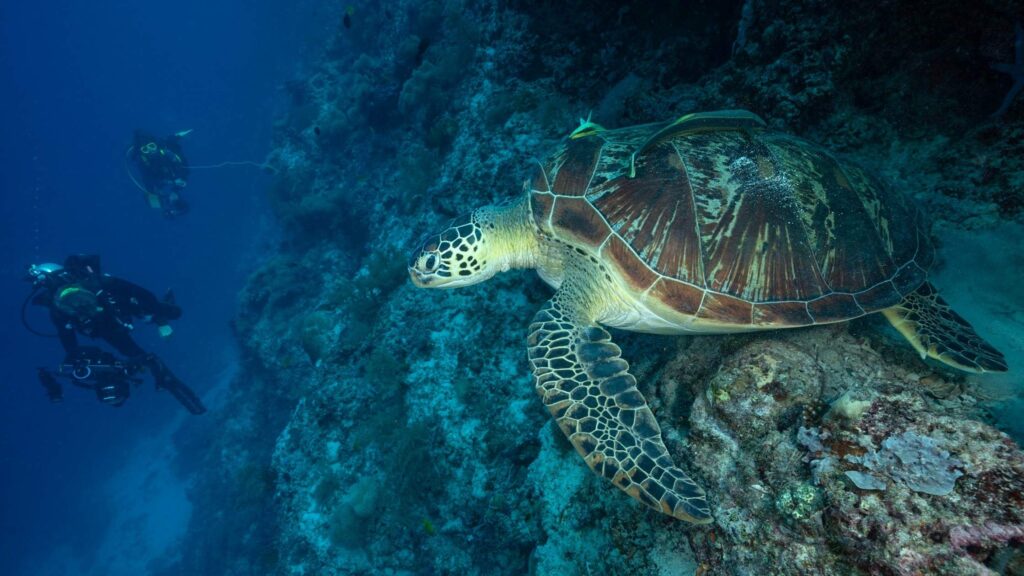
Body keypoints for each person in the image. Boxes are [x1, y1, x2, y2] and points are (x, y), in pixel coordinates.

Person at [25, 255, 206, 414]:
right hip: (110, 322)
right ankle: (161, 359)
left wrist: (77, 359)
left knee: (153, 325)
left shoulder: (61, 307)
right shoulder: (94, 284)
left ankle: (157, 322)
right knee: (147, 334)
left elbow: (68, 340)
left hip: (110, 322)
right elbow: (140, 293)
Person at [127, 129, 192, 217]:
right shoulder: (143, 162)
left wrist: (175, 189)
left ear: (156, 145)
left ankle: (173, 204)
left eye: (152, 146)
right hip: (161, 180)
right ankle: (169, 205)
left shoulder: (167, 150)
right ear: (142, 152)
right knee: (153, 194)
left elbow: (183, 167)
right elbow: (148, 180)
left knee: (160, 193)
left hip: (169, 176)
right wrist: (170, 184)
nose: (150, 151)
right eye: (145, 149)